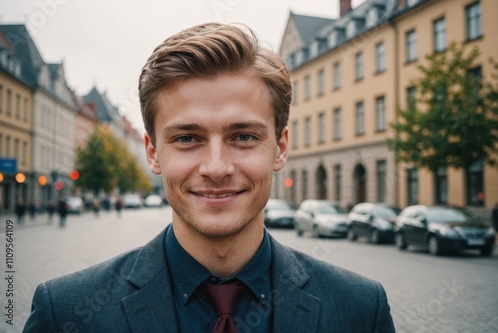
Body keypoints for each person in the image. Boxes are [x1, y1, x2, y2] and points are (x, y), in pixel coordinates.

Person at [23, 23, 395, 332]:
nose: (216, 168)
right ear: (153, 153)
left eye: (244, 136)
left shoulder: (361, 310)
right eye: (187, 138)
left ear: (280, 147)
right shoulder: (65, 313)